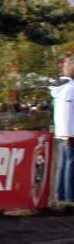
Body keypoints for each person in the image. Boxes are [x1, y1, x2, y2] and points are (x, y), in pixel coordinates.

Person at [50, 62, 74, 201]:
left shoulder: (60, 89)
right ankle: (70, 197)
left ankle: (59, 195)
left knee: (61, 164)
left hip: (61, 131)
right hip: (70, 132)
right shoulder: (71, 88)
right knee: (70, 165)